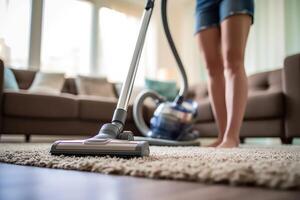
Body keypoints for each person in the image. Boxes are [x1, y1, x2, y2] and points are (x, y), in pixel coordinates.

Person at [195, 0, 254, 148]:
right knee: (211, 69)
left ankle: (232, 136)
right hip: (203, 3)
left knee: (233, 62)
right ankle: (222, 135)